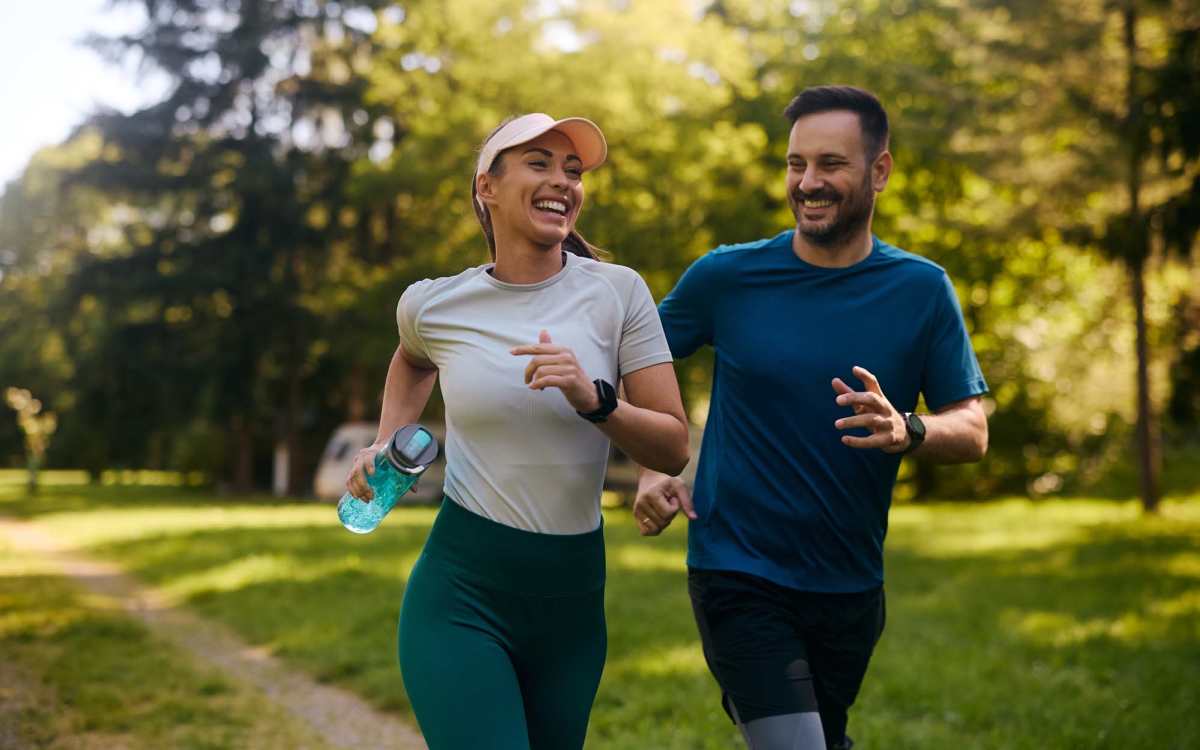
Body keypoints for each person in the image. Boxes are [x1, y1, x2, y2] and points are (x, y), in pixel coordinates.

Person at [634, 85, 990, 750]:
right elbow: (634, 360)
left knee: (824, 740)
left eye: (831, 164)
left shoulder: (921, 290)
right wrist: (656, 463)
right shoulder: (727, 277)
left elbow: (971, 430)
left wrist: (907, 429)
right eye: (797, 165)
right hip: (737, 569)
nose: (809, 183)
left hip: (850, 584)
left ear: (879, 171)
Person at [344, 113, 689, 750]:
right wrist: (387, 438)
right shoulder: (434, 303)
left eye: (573, 171)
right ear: (488, 187)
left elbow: (671, 443)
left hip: (572, 603)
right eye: (539, 163)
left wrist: (595, 399)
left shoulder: (619, 295)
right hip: (462, 593)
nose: (563, 181)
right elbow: (412, 357)